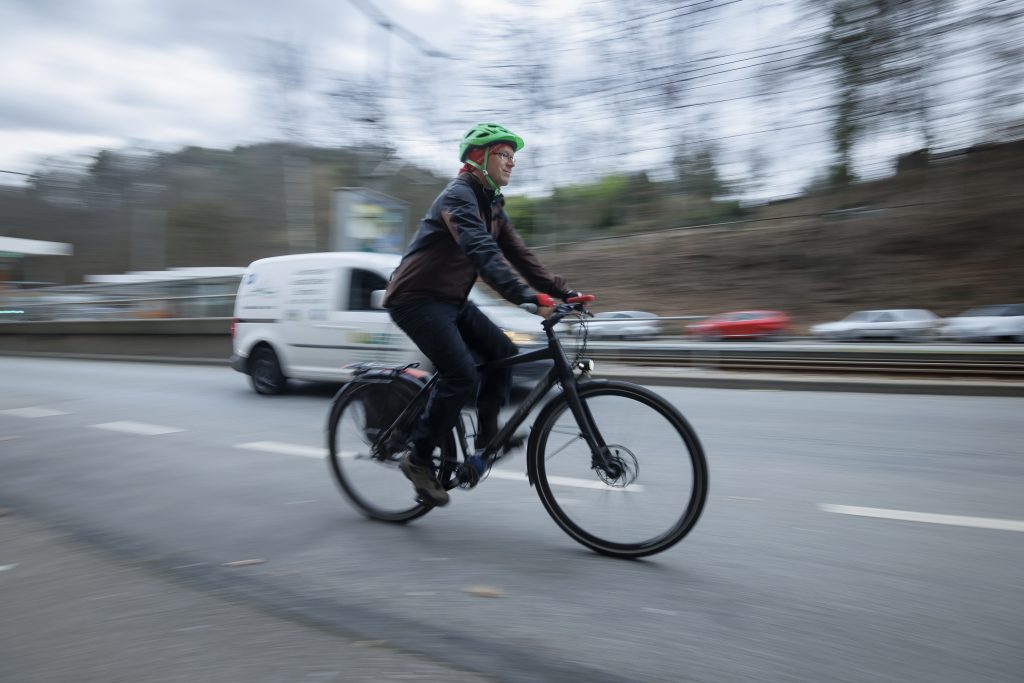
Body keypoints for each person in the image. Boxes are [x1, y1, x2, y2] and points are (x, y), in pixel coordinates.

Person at [382, 123, 587, 507]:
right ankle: (418, 459)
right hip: (416, 299)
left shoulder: (492, 203)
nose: (512, 163)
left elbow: (519, 254)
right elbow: (482, 252)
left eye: (514, 157)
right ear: (479, 157)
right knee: (461, 375)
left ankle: (487, 439)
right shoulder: (458, 197)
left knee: (502, 353)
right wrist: (526, 297)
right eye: (505, 155)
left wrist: (563, 291)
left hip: (451, 300)